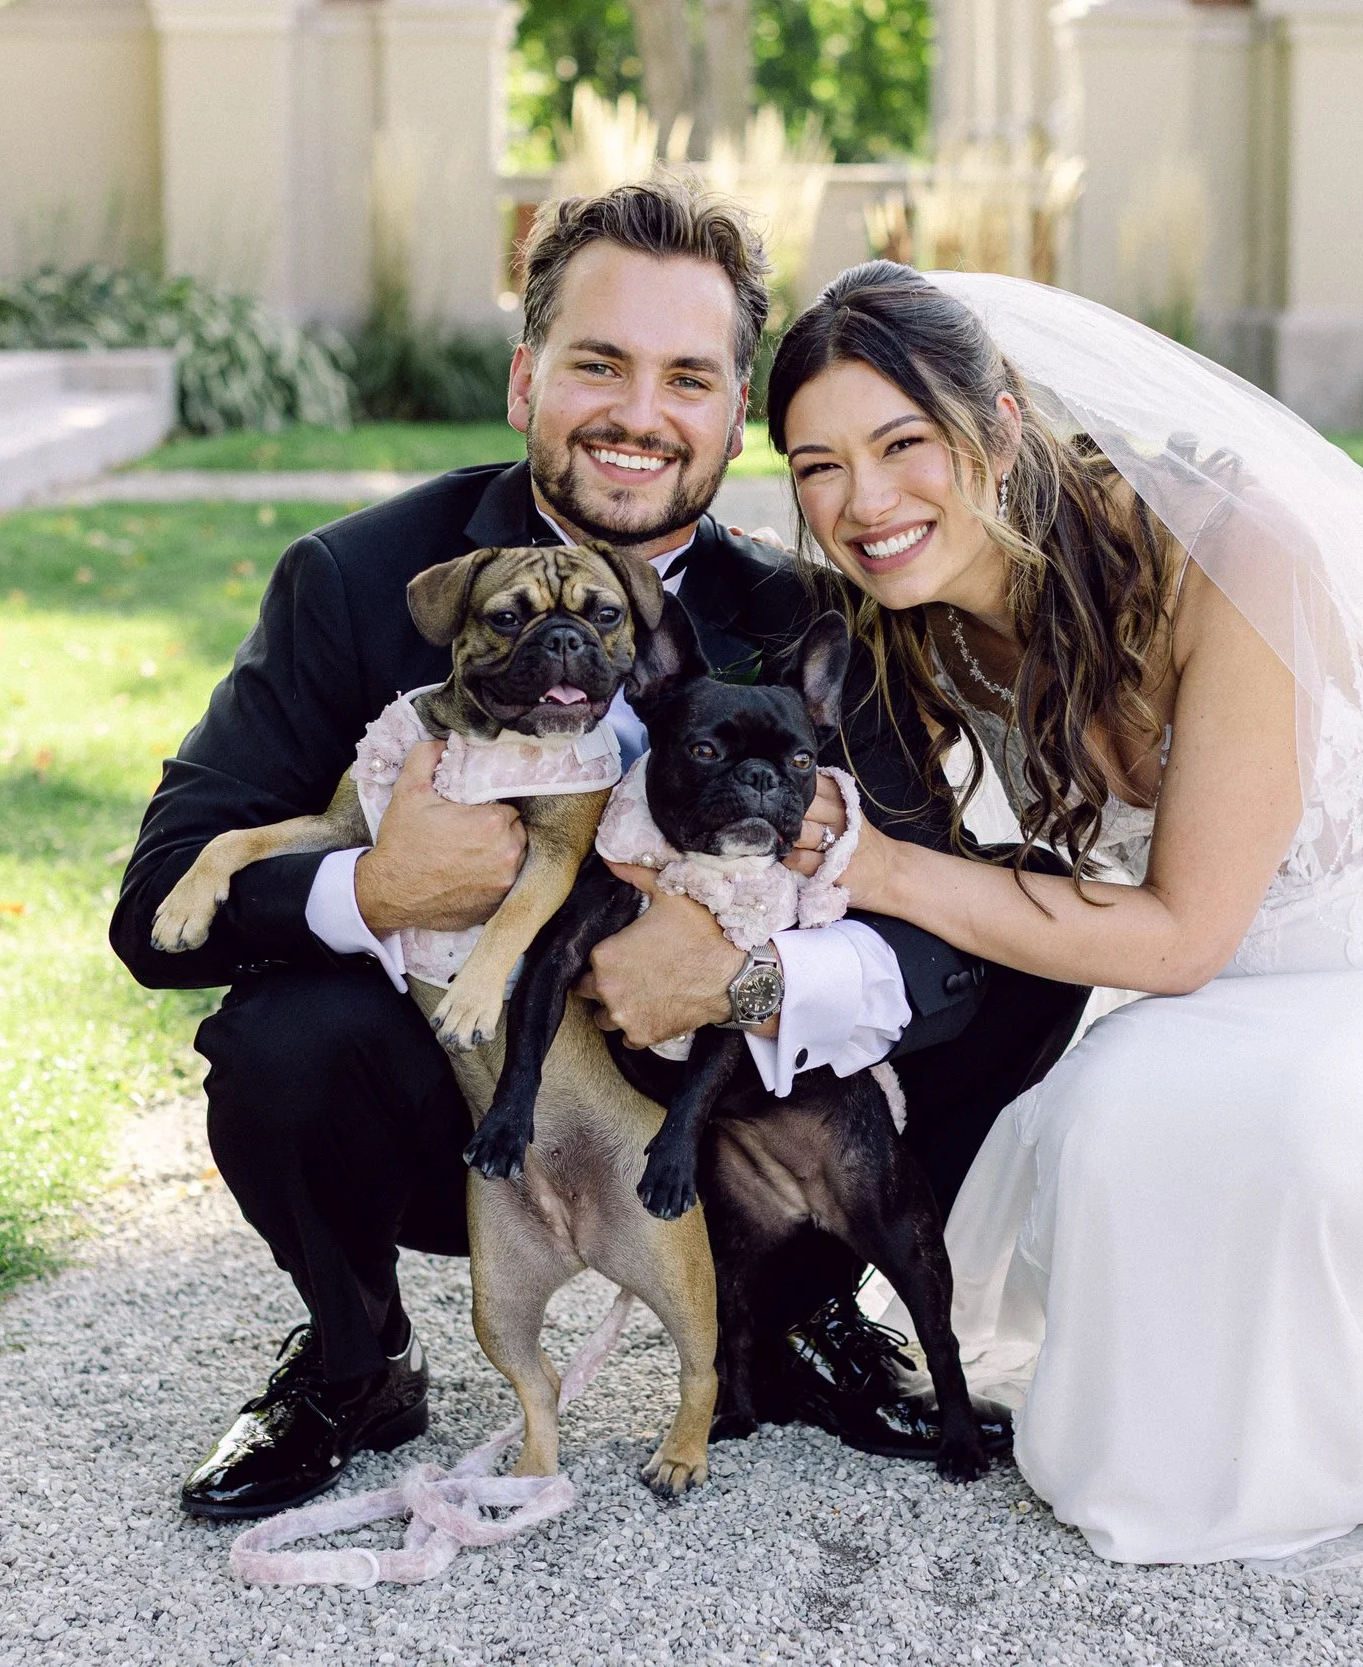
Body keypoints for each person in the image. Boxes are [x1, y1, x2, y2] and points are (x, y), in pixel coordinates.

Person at [109, 187, 1088, 1521]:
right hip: (459, 1103)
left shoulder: (814, 616)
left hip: (720, 1109)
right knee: (279, 1046)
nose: (641, 411)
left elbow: (940, 924)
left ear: (734, 416)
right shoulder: (355, 576)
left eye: (687, 376)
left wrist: (753, 974)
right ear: (526, 378)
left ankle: (788, 1319)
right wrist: (376, 888)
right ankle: (356, 1358)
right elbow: (155, 894)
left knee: (1024, 952)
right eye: (598, 363)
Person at [758, 262, 1363, 1613]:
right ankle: (1153, 1459)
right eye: (819, 465)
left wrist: (883, 868)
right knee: (1103, 1123)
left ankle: (1344, 1433)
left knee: (1328, 1125)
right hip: (1240, 984)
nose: (865, 501)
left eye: (904, 442)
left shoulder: (1226, 549)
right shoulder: (911, 617)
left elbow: (1182, 930)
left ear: (1005, 424)